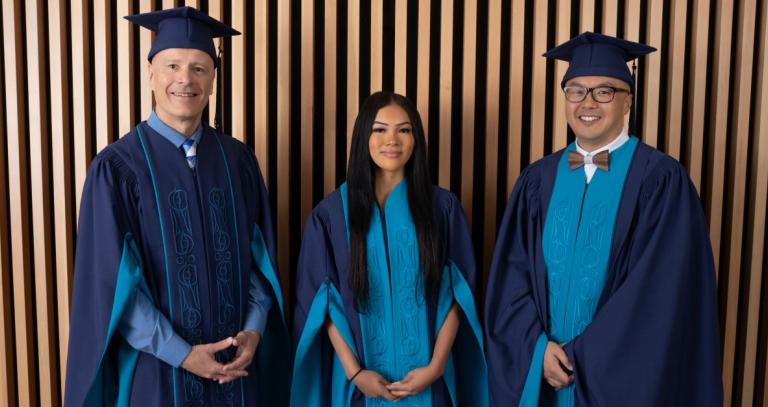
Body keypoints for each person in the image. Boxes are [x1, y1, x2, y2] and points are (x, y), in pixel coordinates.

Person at [64, 7, 288, 406]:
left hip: (236, 375)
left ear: (214, 80)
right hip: (157, 377)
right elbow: (112, 286)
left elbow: (260, 263)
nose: (185, 79)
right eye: (172, 66)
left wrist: (253, 331)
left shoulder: (238, 162)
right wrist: (183, 354)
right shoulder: (117, 169)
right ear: (151, 74)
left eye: (200, 68)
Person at [484, 32, 722, 406]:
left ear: (628, 101)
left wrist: (584, 355)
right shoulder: (537, 180)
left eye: (604, 91)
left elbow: (658, 295)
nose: (587, 103)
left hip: (617, 377)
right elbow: (510, 279)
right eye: (576, 90)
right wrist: (536, 347)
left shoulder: (660, 181)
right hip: (541, 370)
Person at [291, 91, 488, 406]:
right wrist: (356, 374)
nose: (392, 140)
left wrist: (436, 367)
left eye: (404, 130)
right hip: (360, 386)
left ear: (416, 139)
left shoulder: (442, 209)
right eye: (379, 129)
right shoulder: (331, 216)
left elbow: (458, 296)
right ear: (363, 137)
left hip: (429, 382)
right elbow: (322, 304)